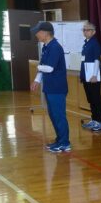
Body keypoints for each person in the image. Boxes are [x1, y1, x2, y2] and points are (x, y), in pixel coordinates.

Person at [30, 21, 71, 153]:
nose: (36, 35)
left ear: (45, 33)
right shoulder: (46, 47)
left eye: (37, 32)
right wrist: (37, 80)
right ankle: (59, 140)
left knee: (59, 115)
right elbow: (44, 66)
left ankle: (65, 143)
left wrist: (37, 66)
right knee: (53, 115)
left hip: (57, 88)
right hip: (50, 87)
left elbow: (49, 68)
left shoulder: (55, 47)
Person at [80, 21, 101, 133]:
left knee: (96, 99)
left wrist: (95, 75)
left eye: (87, 30)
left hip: (93, 76)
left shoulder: (94, 43)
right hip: (86, 76)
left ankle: (99, 122)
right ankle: (94, 119)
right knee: (91, 99)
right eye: (84, 30)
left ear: (93, 32)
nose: (85, 32)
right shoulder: (86, 43)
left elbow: (96, 59)